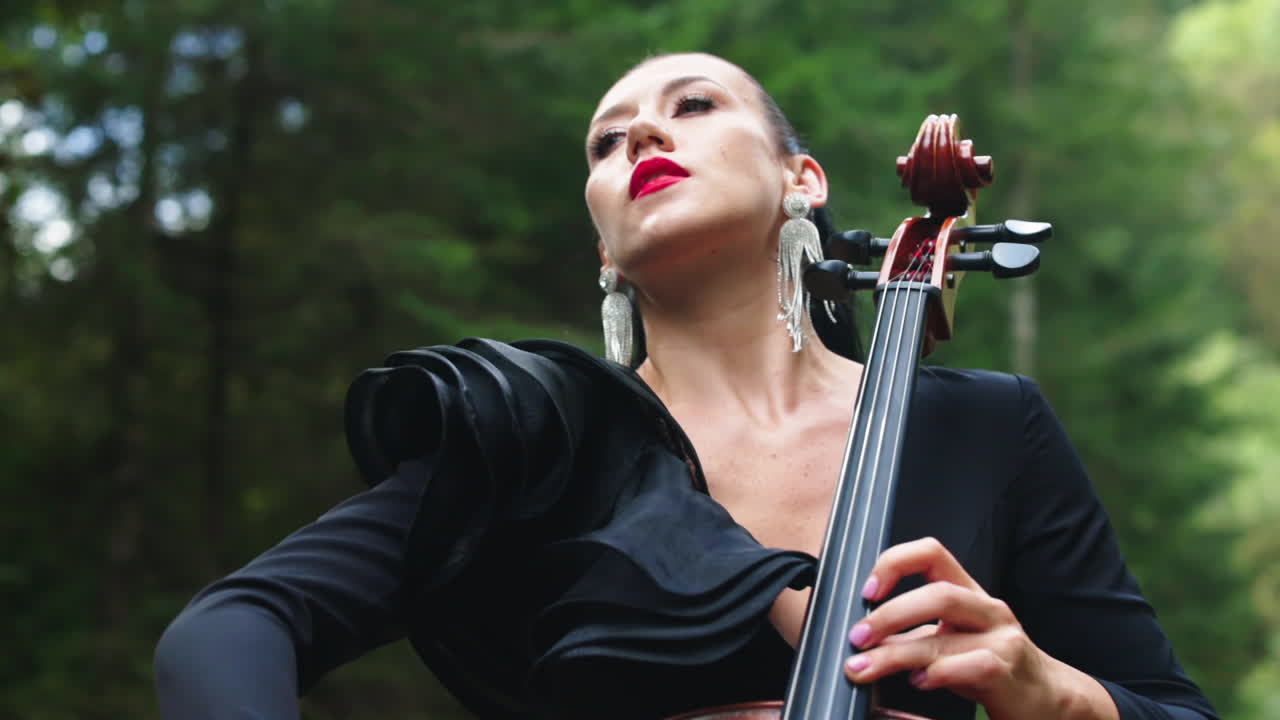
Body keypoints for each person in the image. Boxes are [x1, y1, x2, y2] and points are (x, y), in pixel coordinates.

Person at [154, 52, 1217, 720]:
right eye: (606, 142)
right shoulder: (543, 447)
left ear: (801, 180)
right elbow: (232, 627)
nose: (641, 138)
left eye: (693, 105)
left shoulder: (988, 426)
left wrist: (1049, 693)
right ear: (604, 250)